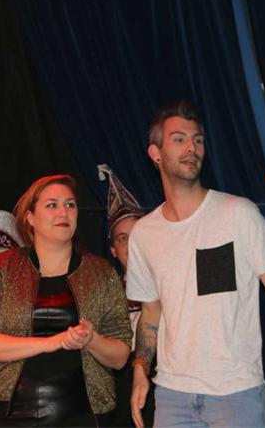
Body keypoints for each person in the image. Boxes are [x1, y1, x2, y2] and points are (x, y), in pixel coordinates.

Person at [127, 100, 265, 428]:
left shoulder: (238, 214)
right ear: (155, 153)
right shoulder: (144, 233)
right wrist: (139, 370)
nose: (191, 148)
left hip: (238, 395)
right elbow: (150, 312)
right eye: (179, 139)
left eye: (198, 140)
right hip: (173, 397)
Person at [0, 174, 132, 427]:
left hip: (81, 416)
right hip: (3, 415)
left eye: (70, 205)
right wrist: (52, 342)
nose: (63, 212)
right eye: (52, 205)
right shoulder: (2, 267)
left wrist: (90, 339)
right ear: (30, 217)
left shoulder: (101, 273)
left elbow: (120, 356)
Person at [98, 163, 156, 427]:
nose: (131, 245)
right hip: (119, 386)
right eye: (123, 239)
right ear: (112, 249)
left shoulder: (171, 284)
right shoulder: (103, 295)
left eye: (137, 236)